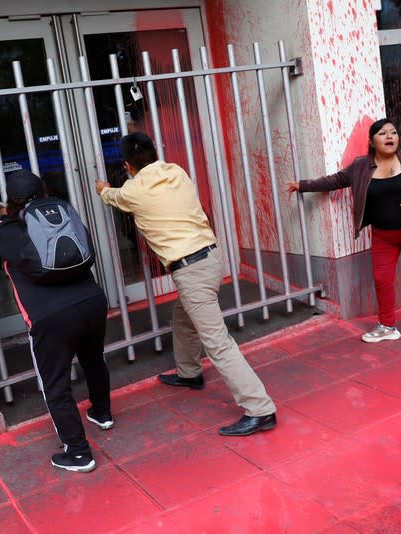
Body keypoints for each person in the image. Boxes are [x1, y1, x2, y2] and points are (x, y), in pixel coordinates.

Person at [95, 132, 276, 437]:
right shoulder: (177, 171)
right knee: (183, 315)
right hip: (211, 258)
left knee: (218, 343)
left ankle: (260, 409)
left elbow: (113, 197)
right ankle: (189, 372)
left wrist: (103, 189)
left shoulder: (132, 191)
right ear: (155, 153)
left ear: (127, 165)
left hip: (191, 269)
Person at [286, 118, 401, 343]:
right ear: (372, 141)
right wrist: (303, 186)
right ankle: (387, 326)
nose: (390, 137)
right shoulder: (361, 166)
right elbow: (335, 180)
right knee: (382, 280)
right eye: (383, 133)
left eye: (393, 132)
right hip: (383, 236)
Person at [0, 169, 112, 473]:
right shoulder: (62, 213)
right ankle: (102, 413)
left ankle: (79, 453)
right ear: (44, 190)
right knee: (93, 359)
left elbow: (7, 246)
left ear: (11, 200)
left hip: (50, 317)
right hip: (91, 301)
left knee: (55, 386)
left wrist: (4, 217)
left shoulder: (5, 229)